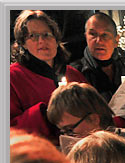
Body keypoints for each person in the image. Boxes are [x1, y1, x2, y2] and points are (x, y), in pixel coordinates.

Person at [70, 12, 125, 137]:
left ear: (116, 40)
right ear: (86, 36)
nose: (99, 40)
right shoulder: (75, 74)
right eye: (93, 34)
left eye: (105, 35)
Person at [10, 10, 87, 141]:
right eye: (33, 36)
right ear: (23, 44)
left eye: (47, 35)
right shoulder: (11, 77)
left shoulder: (73, 74)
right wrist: (45, 113)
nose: (42, 41)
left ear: (56, 40)